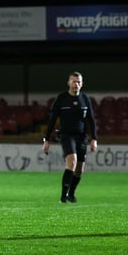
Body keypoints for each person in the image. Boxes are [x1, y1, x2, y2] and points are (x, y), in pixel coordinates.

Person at [42, 71, 97, 203]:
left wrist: (94, 138)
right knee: (72, 160)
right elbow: (52, 119)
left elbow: (91, 120)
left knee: (79, 169)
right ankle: (63, 197)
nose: (75, 84)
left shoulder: (85, 99)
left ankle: (71, 194)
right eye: (73, 81)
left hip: (81, 137)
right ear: (68, 83)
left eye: (78, 82)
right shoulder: (62, 98)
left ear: (82, 84)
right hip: (66, 135)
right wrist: (46, 139)